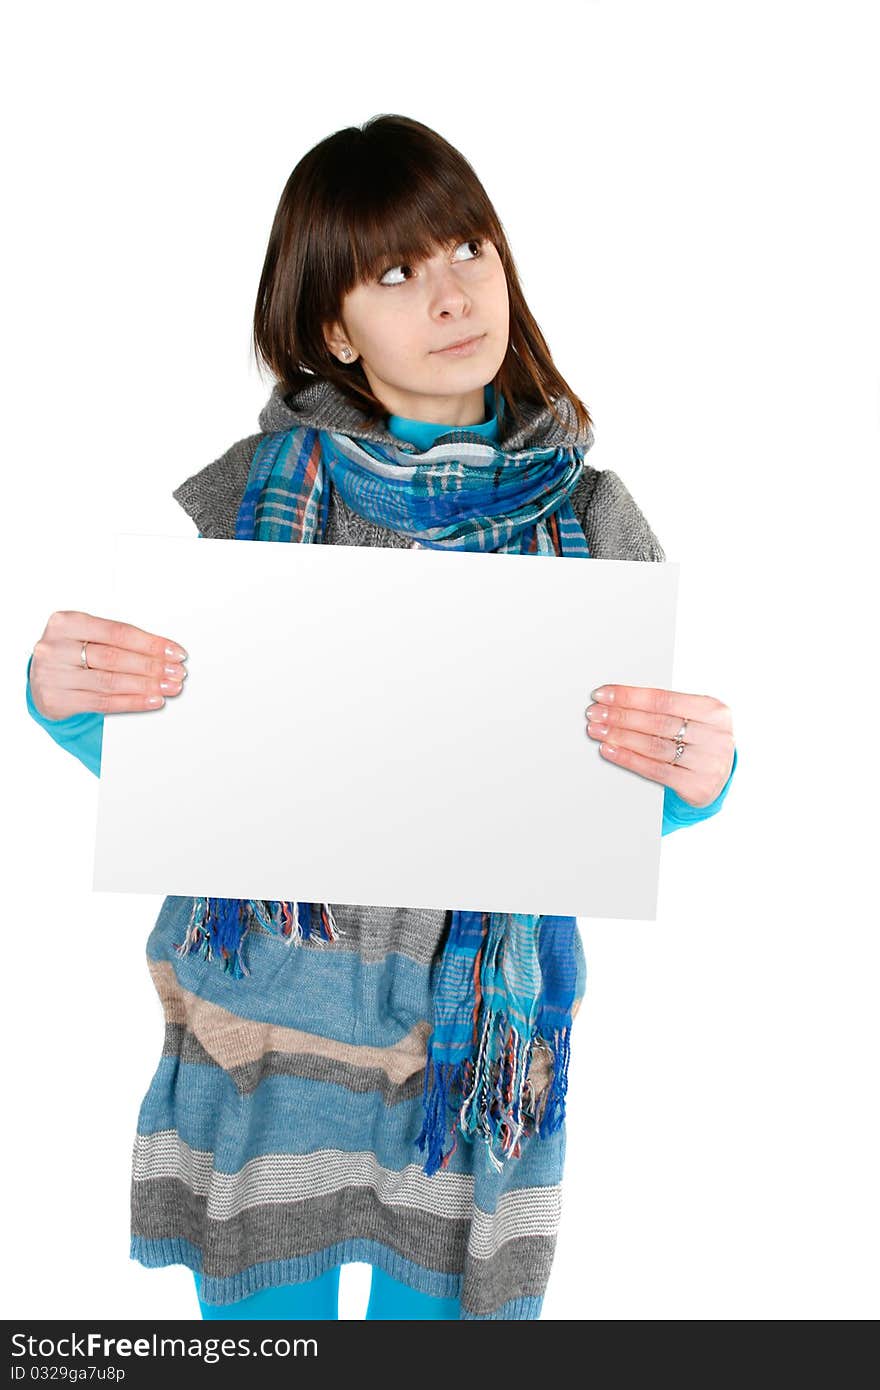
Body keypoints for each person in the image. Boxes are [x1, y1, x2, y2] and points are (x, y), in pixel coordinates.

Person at [25, 114, 738, 1321]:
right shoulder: (257, 500)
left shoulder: (595, 518)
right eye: (396, 271)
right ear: (329, 327)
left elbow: (609, 798)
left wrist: (699, 774)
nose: (452, 292)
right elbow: (186, 750)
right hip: (270, 1024)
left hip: (467, 1058)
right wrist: (66, 701)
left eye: (467, 247)